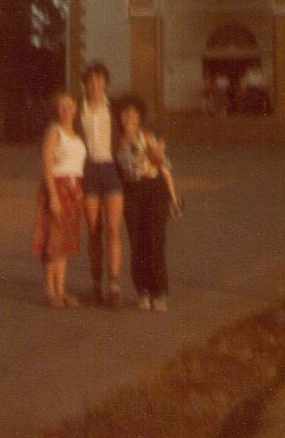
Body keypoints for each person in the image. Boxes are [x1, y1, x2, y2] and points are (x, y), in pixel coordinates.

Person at [116, 95, 178, 311]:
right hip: (131, 193)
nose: (129, 117)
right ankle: (142, 291)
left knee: (156, 242)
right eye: (125, 113)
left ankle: (159, 292)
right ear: (120, 117)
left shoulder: (150, 138)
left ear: (140, 116)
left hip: (154, 190)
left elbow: (164, 167)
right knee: (137, 243)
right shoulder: (117, 142)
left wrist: (173, 197)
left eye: (133, 113)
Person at [30, 90, 86, 308]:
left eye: (70, 106)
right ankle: (49, 290)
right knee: (53, 241)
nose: (66, 110)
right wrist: (53, 196)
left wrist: (79, 190)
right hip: (57, 187)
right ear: (56, 110)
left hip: (74, 188)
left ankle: (61, 290)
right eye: (62, 106)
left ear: (76, 109)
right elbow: (46, 164)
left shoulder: (77, 134)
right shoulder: (54, 131)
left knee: (65, 243)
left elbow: (78, 166)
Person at [79, 61, 124, 307]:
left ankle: (114, 285)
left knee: (114, 230)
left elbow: (131, 130)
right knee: (94, 231)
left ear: (105, 83)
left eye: (99, 81)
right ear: (84, 84)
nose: (95, 85)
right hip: (89, 170)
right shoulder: (78, 111)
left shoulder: (115, 108)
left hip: (110, 169)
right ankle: (96, 285)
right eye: (90, 81)